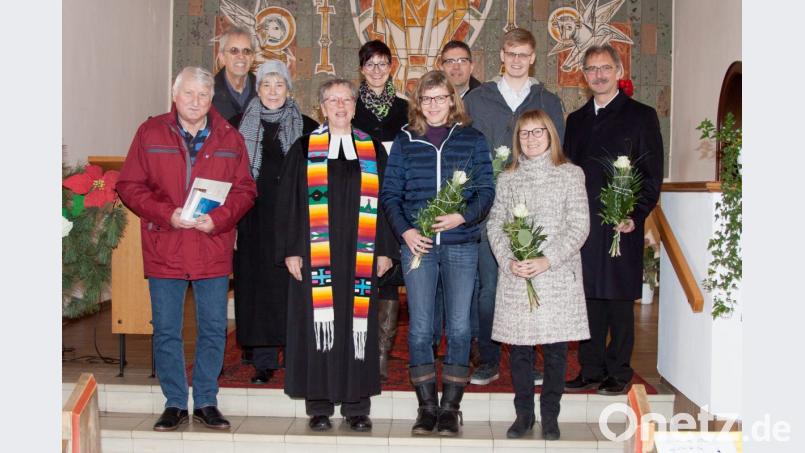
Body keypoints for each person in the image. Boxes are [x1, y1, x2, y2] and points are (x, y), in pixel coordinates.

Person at [116, 67, 257, 431]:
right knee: (166, 329)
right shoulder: (150, 133)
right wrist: (168, 214)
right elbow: (129, 185)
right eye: (189, 94)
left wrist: (221, 218)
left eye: (203, 95)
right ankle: (175, 402)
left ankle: (207, 401)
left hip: (211, 244)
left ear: (212, 99)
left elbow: (245, 189)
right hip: (167, 243)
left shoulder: (229, 136)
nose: (196, 102)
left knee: (213, 328)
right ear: (175, 95)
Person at [276, 78, 395, 432]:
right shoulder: (303, 148)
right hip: (316, 254)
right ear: (322, 107)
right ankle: (320, 404)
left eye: (346, 100)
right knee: (318, 325)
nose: (340, 106)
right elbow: (289, 203)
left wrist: (386, 251)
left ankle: (357, 405)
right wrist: (292, 250)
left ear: (355, 107)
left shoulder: (373, 149)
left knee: (358, 326)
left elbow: (388, 203)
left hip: (361, 253)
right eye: (333, 100)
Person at [380, 70, 495, 436]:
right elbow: (390, 195)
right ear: (418, 103)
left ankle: (450, 408)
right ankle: (426, 407)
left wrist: (463, 215)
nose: (433, 105)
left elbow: (486, 191)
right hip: (419, 248)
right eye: (425, 98)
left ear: (451, 100)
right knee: (421, 328)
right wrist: (406, 231)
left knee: (460, 326)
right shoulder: (405, 141)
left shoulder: (473, 140)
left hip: (461, 246)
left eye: (439, 97)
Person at [464, 27, 565, 386]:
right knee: (490, 288)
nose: (517, 60)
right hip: (491, 209)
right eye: (511, 54)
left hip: (536, 209)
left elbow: (557, 152)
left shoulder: (548, 100)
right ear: (502, 57)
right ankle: (489, 358)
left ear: (533, 57)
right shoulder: (477, 99)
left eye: (523, 54)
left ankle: (531, 358)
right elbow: (467, 151)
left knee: (530, 284)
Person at [563, 44, 663, 396]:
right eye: (591, 69)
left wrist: (635, 214)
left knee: (618, 301)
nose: (599, 75)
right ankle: (590, 369)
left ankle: (619, 371)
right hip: (584, 226)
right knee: (588, 298)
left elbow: (651, 175)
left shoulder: (641, 116)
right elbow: (567, 174)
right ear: (584, 75)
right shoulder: (575, 121)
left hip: (623, 226)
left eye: (605, 68)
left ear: (619, 71)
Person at [486, 109, 590, 441]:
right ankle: (523, 415)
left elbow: (578, 226)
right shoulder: (508, 178)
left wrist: (547, 260)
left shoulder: (570, 174)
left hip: (556, 274)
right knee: (519, 350)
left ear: (550, 135)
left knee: (556, 350)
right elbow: (496, 224)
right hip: (518, 274)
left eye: (538, 132)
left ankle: (550, 415)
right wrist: (507, 260)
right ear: (517, 140)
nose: (531, 139)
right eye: (524, 133)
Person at [233, 60, 319, 385]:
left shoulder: (308, 128)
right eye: (266, 85)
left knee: (294, 288)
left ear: (289, 88)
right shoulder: (238, 126)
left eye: (279, 84)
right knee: (258, 291)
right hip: (253, 222)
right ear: (257, 89)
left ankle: (297, 355)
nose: (273, 91)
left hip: (296, 220)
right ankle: (264, 361)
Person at [351, 40, 408, 382]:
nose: (376, 70)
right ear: (361, 69)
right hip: (358, 197)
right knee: (358, 271)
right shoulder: (350, 106)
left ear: (391, 68)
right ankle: (358, 345)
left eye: (382, 63)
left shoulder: (405, 109)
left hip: (396, 197)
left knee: (389, 274)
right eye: (370, 64)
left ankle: (382, 351)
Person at [433, 39, 483, 365]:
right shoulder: (431, 99)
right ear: (441, 65)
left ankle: (472, 341)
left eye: (461, 60)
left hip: (472, 203)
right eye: (449, 61)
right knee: (436, 280)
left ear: (472, 65)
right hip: (436, 202)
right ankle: (437, 339)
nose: (455, 67)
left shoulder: (485, 99)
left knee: (473, 281)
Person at [213, 26, 257, 127]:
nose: (241, 56)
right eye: (234, 50)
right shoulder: (207, 94)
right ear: (222, 57)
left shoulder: (265, 93)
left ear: (252, 58)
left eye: (246, 51)